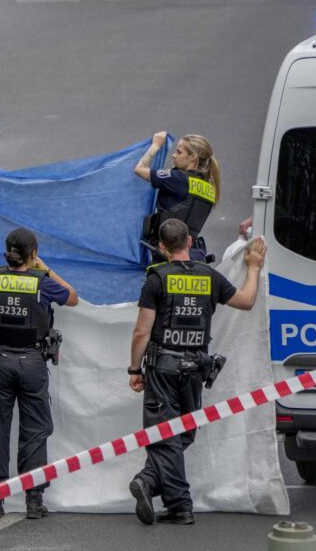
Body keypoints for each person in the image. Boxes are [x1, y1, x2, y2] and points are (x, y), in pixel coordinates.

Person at [127, 218, 265, 526]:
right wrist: (253, 268)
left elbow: (141, 332)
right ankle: (150, 483)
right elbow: (246, 301)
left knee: (166, 437)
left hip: (163, 367)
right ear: (189, 242)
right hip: (195, 368)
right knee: (184, 432)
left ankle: (177, 504)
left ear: (161, 247)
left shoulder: (156, 278)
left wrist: (135, 369)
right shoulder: (210, 276)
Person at [0, 228, 79, 520]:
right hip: (32, 362)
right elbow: (73, 298)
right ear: (32, 254)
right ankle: (34, 501)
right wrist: (44, 268)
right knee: (34, 432)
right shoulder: (43, 282)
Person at [134, 131, 220, 263]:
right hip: (190, 254)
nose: (174, 155)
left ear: (193, 157)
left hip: (167, 253)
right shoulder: (209, 187)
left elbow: (139, 169)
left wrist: (156, 145)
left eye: (179, 152)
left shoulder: (178, 179)